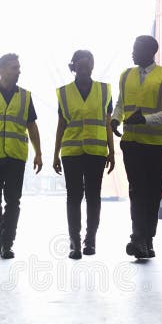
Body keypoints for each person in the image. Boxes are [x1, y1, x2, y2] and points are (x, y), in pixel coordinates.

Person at [111, 35, 162, 259]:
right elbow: (121, 103)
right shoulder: (126, 75)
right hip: (131, 143)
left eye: (136, 49)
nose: (132, 53)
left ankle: (147, 239)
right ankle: (137, 237)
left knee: (152, 195)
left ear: (150, 52)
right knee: (137, 191)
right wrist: (115, 118)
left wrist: (146, 120)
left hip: (155, 145)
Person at [0, 53, 43, 259]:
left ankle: (7, 243)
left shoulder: (25, 96)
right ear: (2, 70)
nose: (19, 71)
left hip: (16, 157)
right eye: (14, 67)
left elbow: (32, 127)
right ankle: (0, 232)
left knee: (13, 201)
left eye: (18, 67)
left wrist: (38, 153)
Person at [53, 50, 115, 260]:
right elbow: (61, 125)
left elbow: (107, 122)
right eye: (80, 65)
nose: (84, 68)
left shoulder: (105, 90)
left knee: (93, 197)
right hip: (70, 151)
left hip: (97, 151)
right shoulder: (63, 93)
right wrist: (55, 154)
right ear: (74, 67)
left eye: (88, 64)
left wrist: (112, 152)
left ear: (93, 66)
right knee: (74, 197)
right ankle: (75, 244)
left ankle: (90, 240)